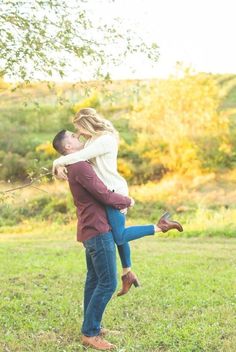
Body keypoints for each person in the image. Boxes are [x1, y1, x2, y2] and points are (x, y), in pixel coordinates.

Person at [52, 130, 182, 350]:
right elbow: (103, 194)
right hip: (98, 230)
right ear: (67, 148)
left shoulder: (76, 165)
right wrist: (128, 200)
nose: (78, 138)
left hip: (90, 229)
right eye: (74, 137)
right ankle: (90, 333)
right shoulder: (81, 167)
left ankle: (92, 325)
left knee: (94, 280)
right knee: (108, 282)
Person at [53, 109, 183, 296]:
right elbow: (77, 159)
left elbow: (77, 157)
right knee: (117, 234)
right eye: (75, 133)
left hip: (114, 192)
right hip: (106, 193)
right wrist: (60, 167)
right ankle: (127, 273)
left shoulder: (105, 139)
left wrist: (56, 163)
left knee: (119, 236)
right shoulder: (91, 141)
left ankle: (160, 227)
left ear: (86, 123)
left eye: (78, 129)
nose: (79, 133)